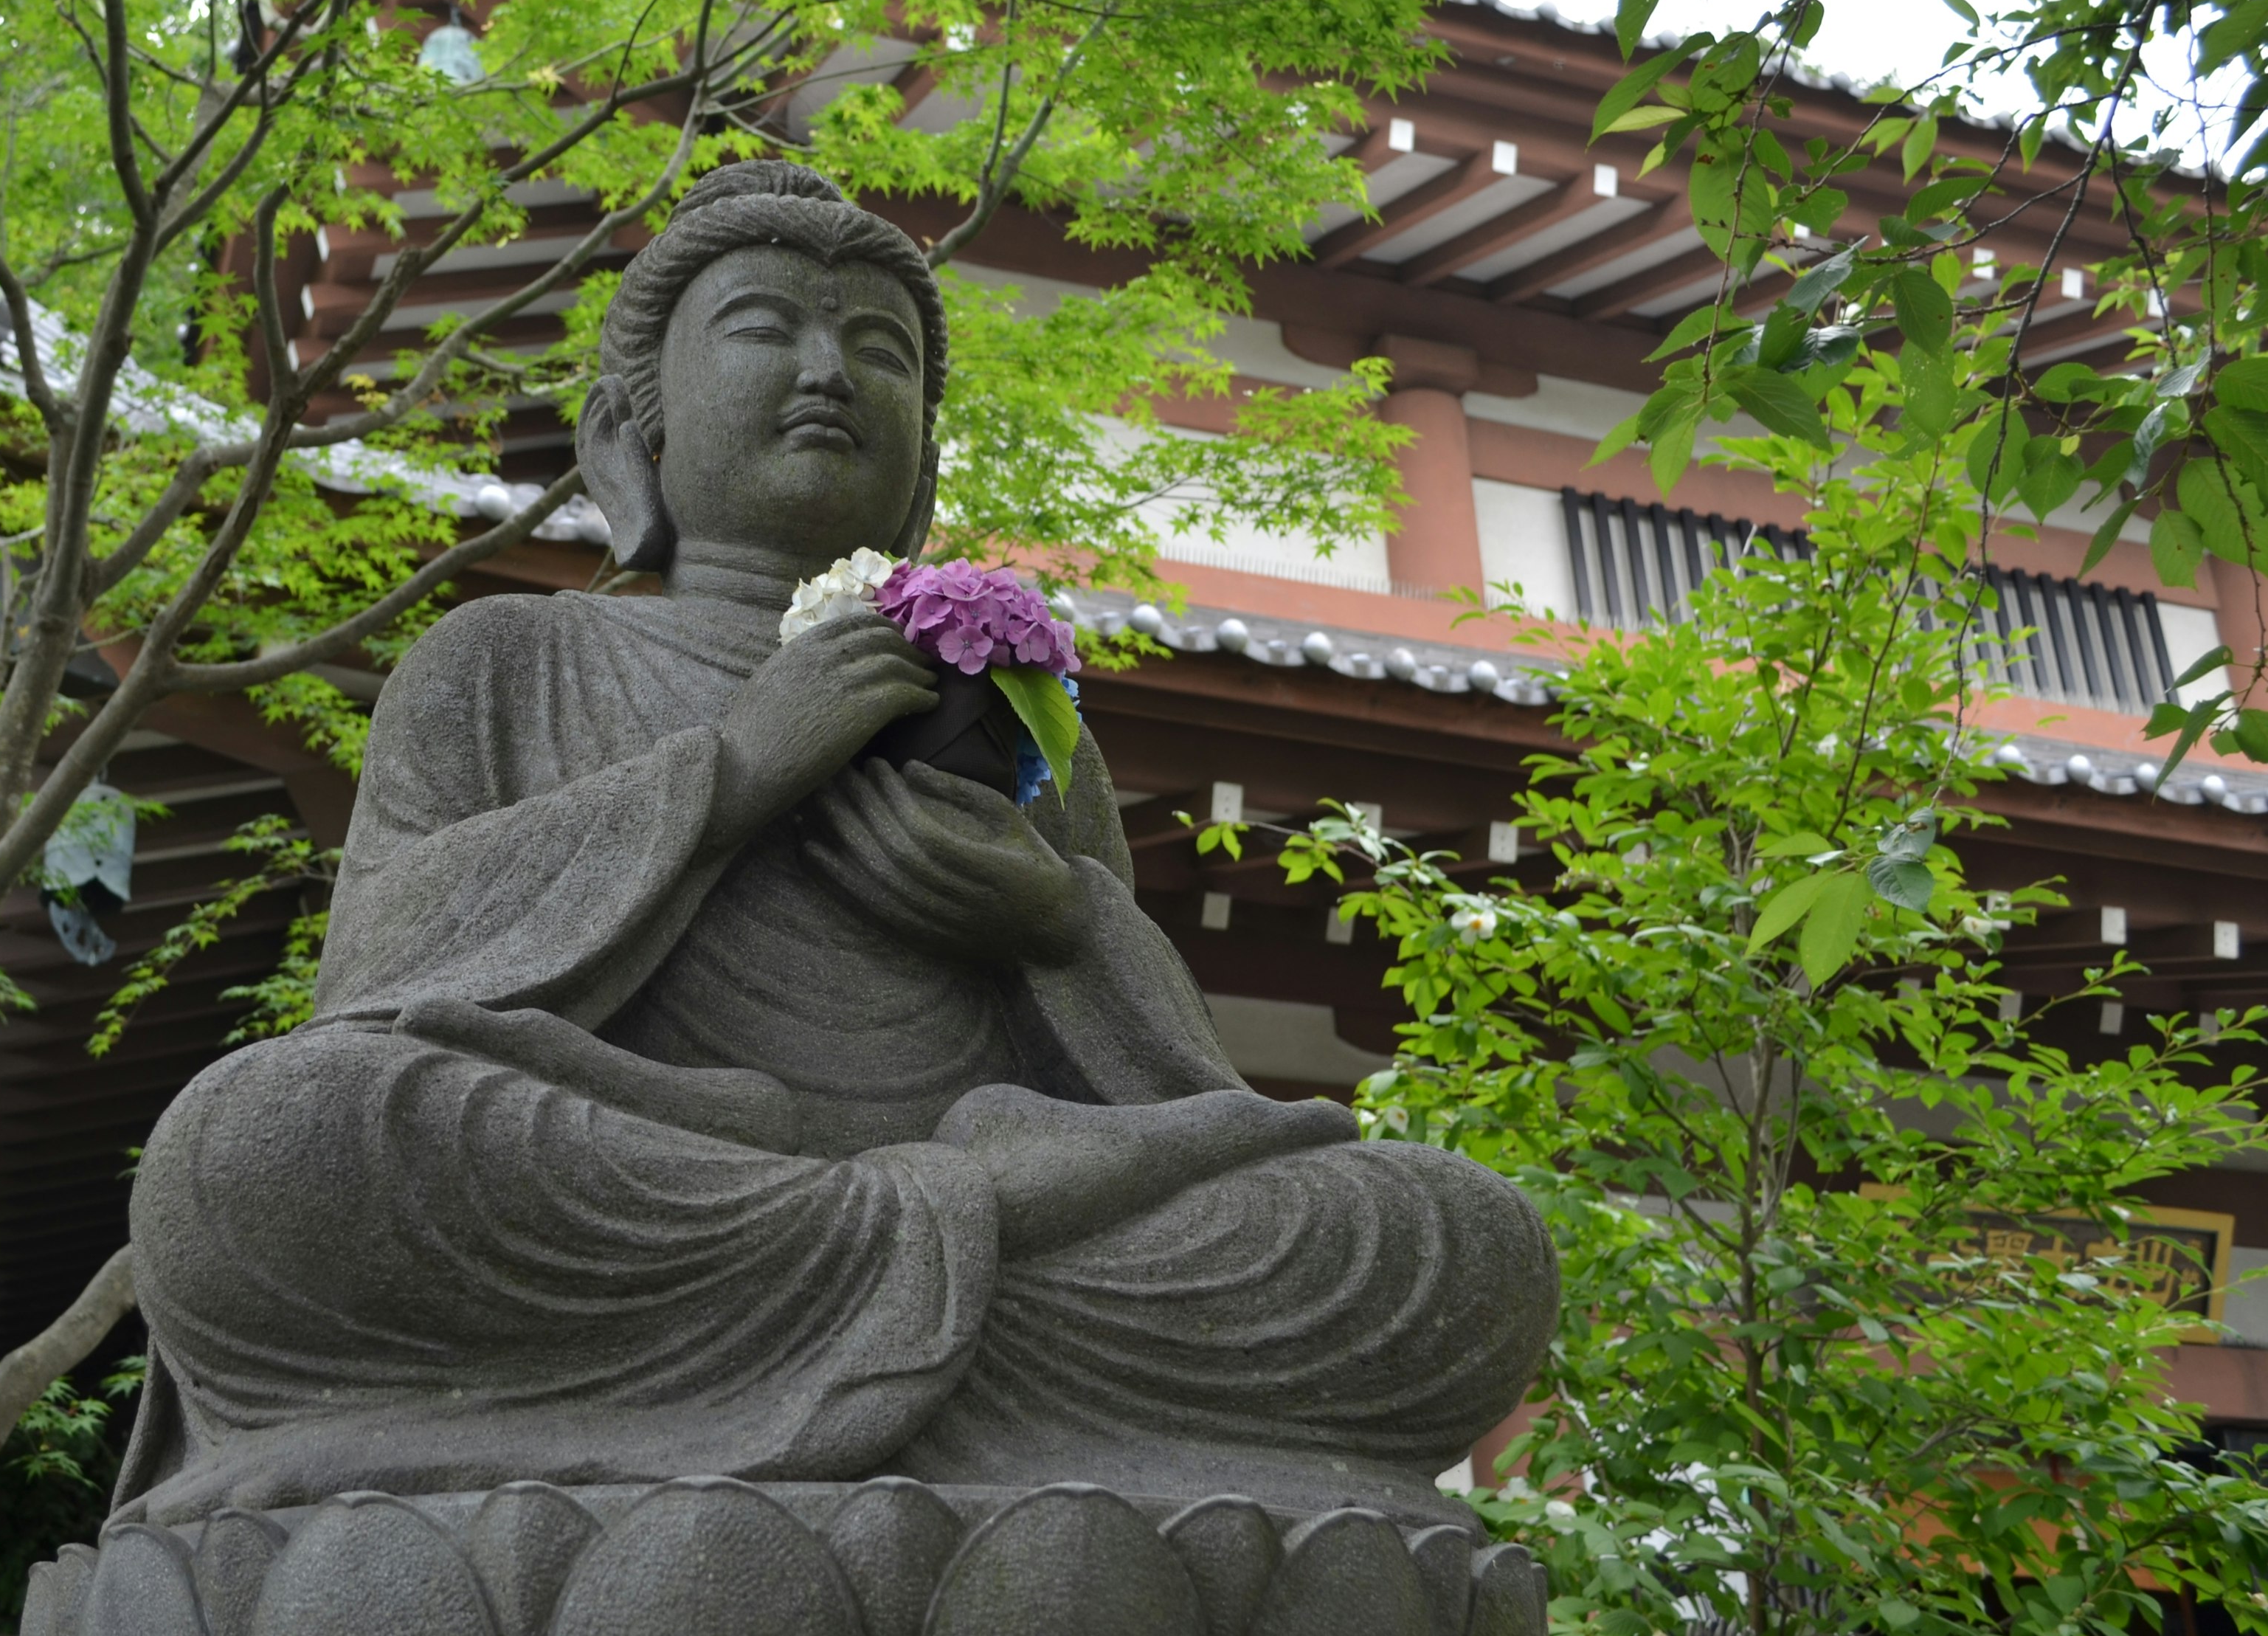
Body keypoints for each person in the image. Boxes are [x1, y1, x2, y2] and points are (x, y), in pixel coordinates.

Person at [110, 162, 1557, 1528]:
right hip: (659, 1185)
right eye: (763, 329)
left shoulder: (1016, 715)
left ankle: (892, 1288)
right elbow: (376, 974)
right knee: (269, 1147)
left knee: (1451, 1242)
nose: (826, 372)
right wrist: (733, 770)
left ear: (925, 455)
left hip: (972, 1234)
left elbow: (1175, 1085)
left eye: (882, 349)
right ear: (636, 430)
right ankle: (950, 1273)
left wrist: (1058, 921)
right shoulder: (506, 657)